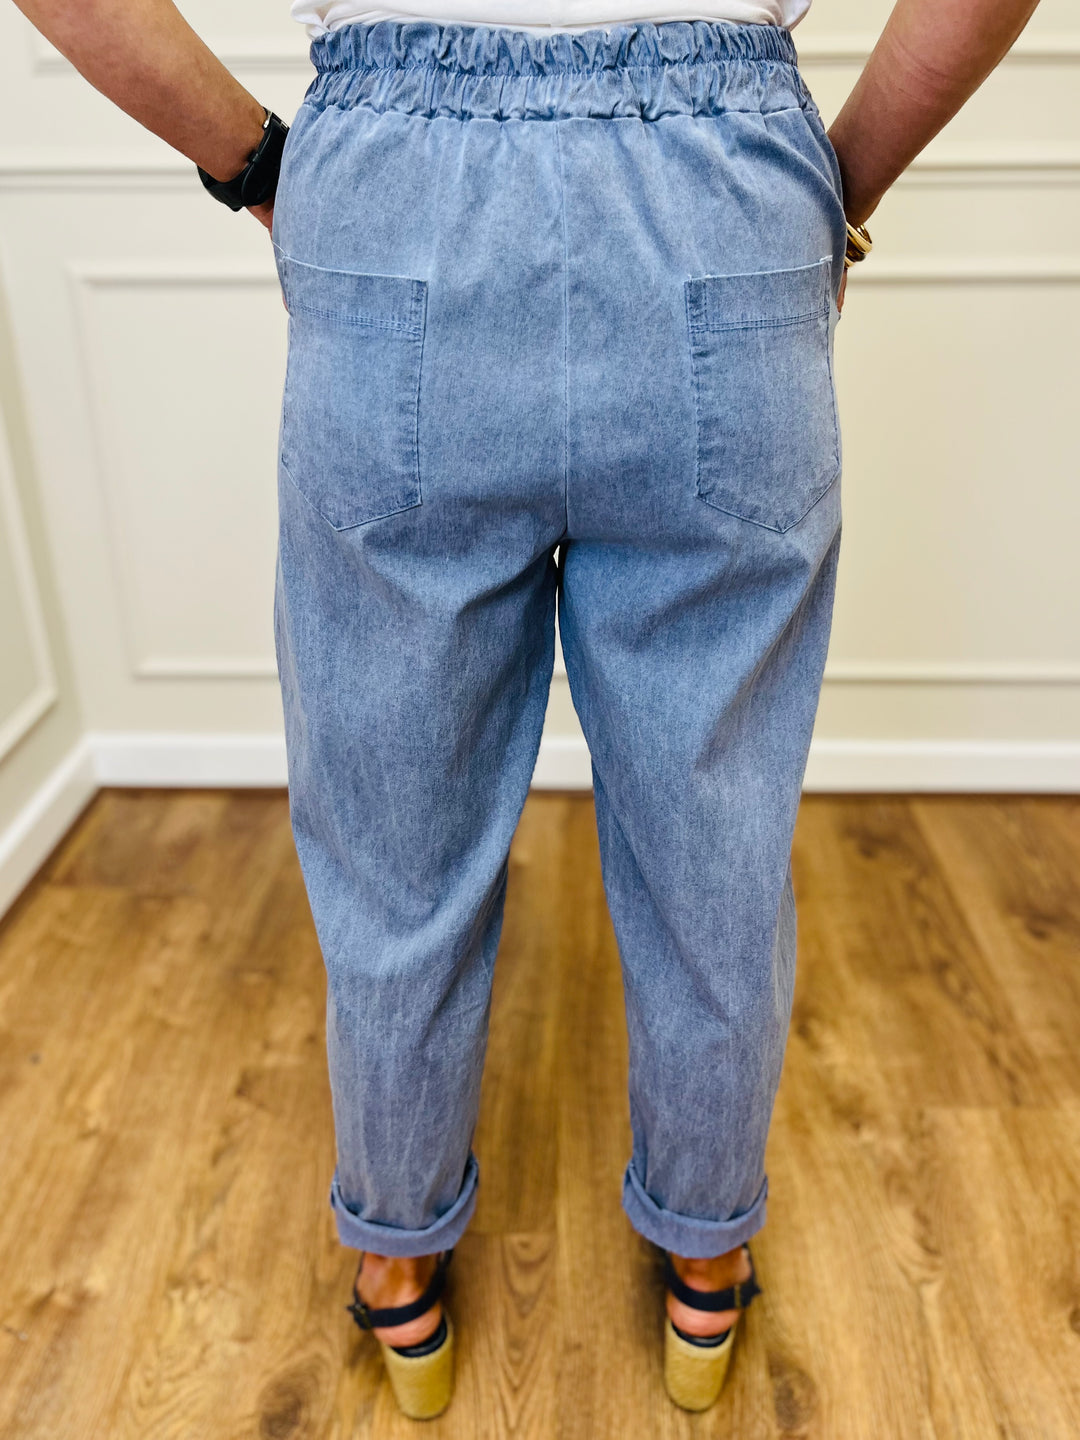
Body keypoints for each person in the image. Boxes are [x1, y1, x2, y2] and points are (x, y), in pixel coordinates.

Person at [13, 0, 1041, 1419]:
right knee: (714, 833)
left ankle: (398, 1262)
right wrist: (833, 185)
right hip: (722, 194)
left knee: (395, 842)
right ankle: (707, 1257)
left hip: (397, 197)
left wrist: (253, 163)